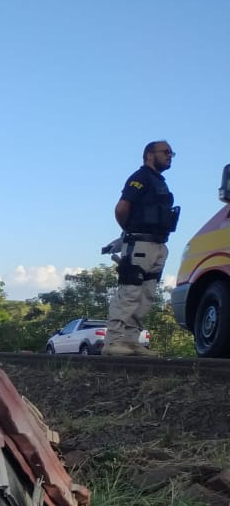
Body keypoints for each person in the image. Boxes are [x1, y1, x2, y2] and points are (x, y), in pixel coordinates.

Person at [102, 141, 180, 356]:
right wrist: (130, 232)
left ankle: (130, 341)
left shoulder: (159, 182)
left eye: (171, 152)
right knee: (129, 292)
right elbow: (121, 209)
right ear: (149, 155)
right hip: (140, 243)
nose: (169, 155)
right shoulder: (140, 178)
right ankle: (113, 341)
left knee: (146, 295)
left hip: (158, 244)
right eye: (165, 152)